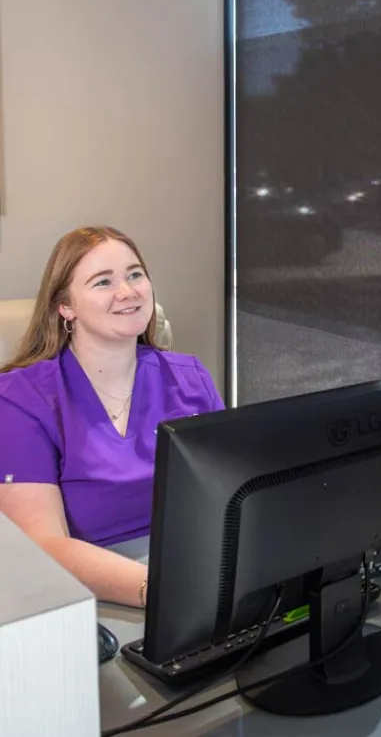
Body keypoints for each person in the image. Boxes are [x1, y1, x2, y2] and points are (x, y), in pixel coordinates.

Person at [0, 226, 223, 607]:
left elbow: (230, 496)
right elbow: (44, 547)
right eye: (103, 282)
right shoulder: (21, 400)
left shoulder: (190, 378)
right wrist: (163, 592)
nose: (127, 291)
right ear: (65, 307)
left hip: (199, 576)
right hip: (86, 597)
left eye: (135, 274)